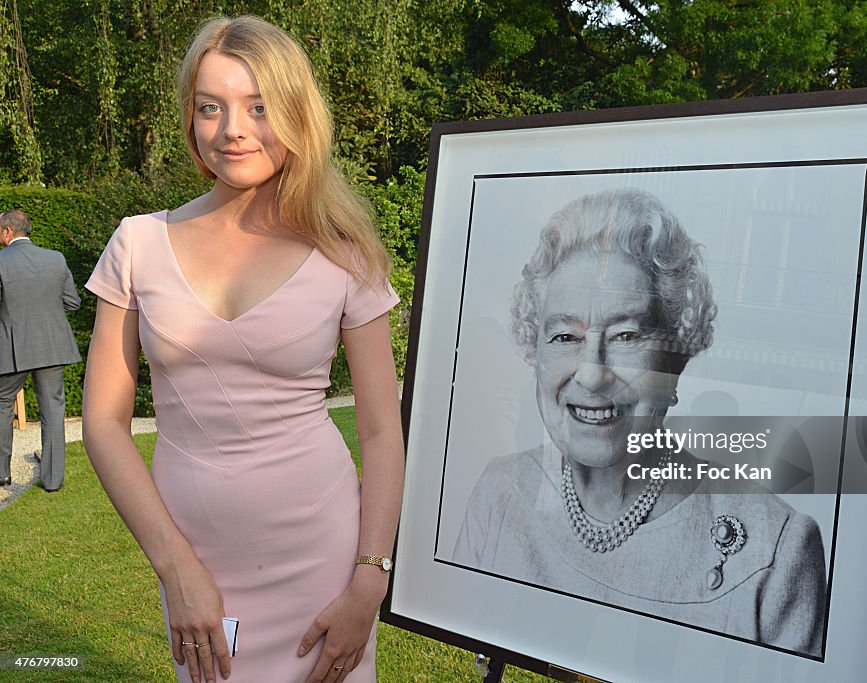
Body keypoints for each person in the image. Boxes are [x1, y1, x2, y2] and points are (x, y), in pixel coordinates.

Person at [82, 16, 404, 683]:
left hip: (323, 555)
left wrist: (369, 578)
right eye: (211, 106)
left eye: (259, 106)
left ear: (295, 114)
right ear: (190, 119)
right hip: (195, 560)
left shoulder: (345, 252)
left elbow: (379, 429)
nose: (232, 128)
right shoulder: (137, 244)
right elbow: (105, 423)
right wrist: (175, 567)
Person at [453, 188, 826, 656]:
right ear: (535, 351)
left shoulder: (776, 548)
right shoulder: (499, 495)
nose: (591, 372)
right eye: (565, 335)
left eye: (626, 334)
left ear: (675, 354)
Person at [0, 209, 82, 491]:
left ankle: (2, 473)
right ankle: (52, 480)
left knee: (1, 404)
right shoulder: (56, 258)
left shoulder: (0, 262)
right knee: (52, 410)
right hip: (51, 346)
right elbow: (73, 302)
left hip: (12, 348)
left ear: (7, 232)